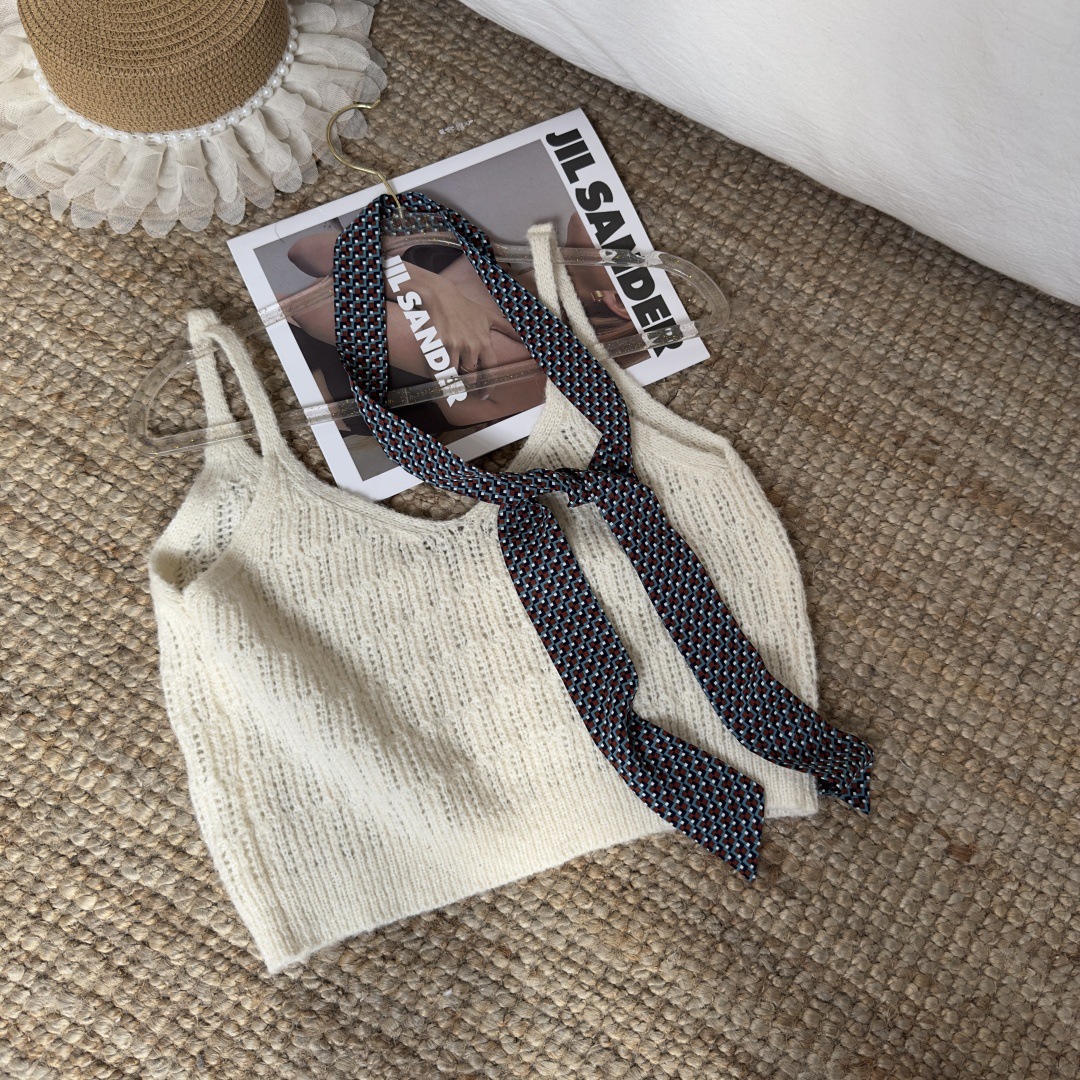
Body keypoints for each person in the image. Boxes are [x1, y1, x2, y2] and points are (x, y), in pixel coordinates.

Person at [279, 212, 640, 436]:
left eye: (630, 233)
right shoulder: (487, 257)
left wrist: (422, 283)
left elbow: (318, 310)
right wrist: (432, 288)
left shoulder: (527, 363)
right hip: (278, 336)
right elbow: (308, 250)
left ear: (619, 302)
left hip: (284, 391)